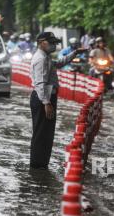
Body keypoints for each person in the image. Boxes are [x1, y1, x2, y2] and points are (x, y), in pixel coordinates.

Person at [29, 32, 86, 169]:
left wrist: (74, 53)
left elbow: (59, 63)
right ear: (42, 42)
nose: (54, 45)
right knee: (41, 132)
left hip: (47, 97)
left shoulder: (46, 57)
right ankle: (37, 164)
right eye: (51, 43)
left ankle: (42, 162)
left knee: (46, 132)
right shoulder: (40, 59)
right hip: (43, 98)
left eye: (55, 43)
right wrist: (46, 103)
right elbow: (40, 83)